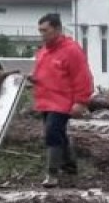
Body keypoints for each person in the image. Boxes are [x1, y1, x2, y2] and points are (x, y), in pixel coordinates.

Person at [31, 13, 94, 188]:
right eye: (40, 31)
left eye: (45, 30)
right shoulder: (43, 52)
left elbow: (82, 77)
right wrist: (33, 79)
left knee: (52, 132)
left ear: (57, 29)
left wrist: (81, 101)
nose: (42, 34)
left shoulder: (71, 50)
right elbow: (44, 74)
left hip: (62, 101)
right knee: (57, 133)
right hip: (46, 99)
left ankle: (52, 173)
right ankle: (70, 166)